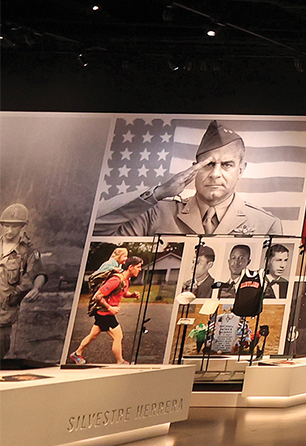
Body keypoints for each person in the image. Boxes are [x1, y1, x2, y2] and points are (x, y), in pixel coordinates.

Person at [94, 121, 284, 237]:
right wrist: (159, 192)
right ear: (194, 168)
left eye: (226, 165)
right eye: (208, 164)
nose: (215, 173)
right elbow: (95, 231)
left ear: (241, 170)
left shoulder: (266, 224)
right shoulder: (156, 213)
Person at [70, 256, 144, 364]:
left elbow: (122, 293)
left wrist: (132, 295)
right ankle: (120, 362)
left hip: (105, 313)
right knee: (118, 336)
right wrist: (110, 308)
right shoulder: (116, 280)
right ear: (130, 267)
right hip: (104, 313)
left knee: (93, 335)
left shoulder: (126, 280)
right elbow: (97, 296)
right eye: (138, 267)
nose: (140, 269)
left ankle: (77, 354)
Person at [1, 203, 48, 359]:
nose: (9, 230)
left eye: (14, 227)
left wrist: (36, 288)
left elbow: (38, 273)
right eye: (6, 226)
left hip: (4, 312)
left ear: (22, 226)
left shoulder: (27, 252)